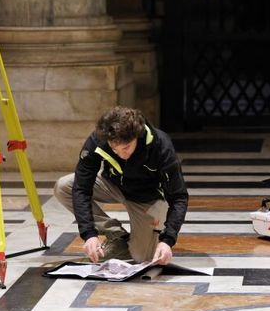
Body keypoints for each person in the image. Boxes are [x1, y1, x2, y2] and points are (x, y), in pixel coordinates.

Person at [54, 106, 189, 265]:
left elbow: (179, 197)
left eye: (126, 148)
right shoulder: (99, 139)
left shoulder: (161, 145)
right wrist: (89, 234)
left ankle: (142, 239)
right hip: (113, 184)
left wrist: (167, 240)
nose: (121, 154)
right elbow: (81, 188)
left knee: (142, 257)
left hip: (148, 198)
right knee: (63, 186)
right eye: (114, 149)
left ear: (137, 137)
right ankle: (117, 235)